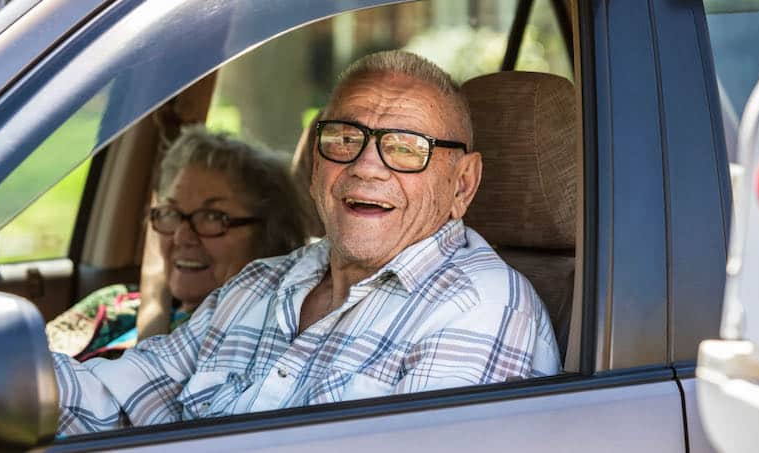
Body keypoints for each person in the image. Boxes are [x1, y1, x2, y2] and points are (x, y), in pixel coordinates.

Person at [53, 50, 560, 435]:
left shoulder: (480, 307)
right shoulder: (259, 283)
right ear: (317, 163)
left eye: (406, 147)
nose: (365, 165)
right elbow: (114, 401)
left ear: (463, 185)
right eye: (344, 138)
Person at [46, 125, 310, 361]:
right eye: (172, 213)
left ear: (270, 234)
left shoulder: (259, 341)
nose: (183, 237)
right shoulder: (115, 306)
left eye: (212, 217)